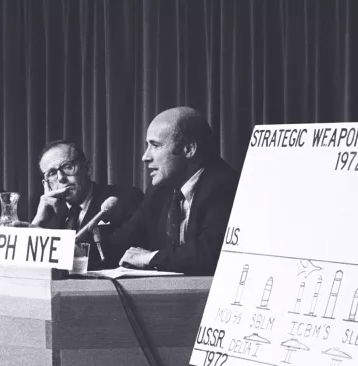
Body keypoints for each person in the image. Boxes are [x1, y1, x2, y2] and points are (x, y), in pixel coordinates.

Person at [98, 107, 238, 275]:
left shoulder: (225, 186)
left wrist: (150, 258)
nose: (145, 156)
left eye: (155, 145)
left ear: (188, 149)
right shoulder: (159, 191)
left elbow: (210, 254)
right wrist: (75, 252)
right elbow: (122, 241)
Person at [31, 140, 142, 269]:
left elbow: (122, 249)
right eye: (52, 174)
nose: (61, 178)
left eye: (67, 167)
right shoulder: (51, 214)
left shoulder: (124, 198)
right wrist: (39, 222)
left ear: (87, 169)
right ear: (46, 183)